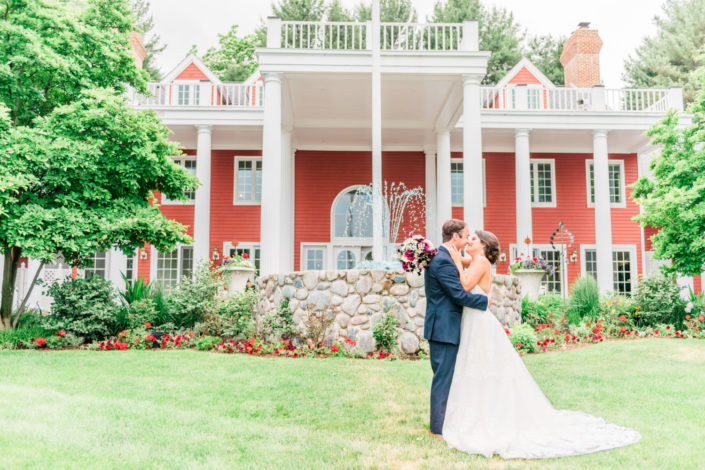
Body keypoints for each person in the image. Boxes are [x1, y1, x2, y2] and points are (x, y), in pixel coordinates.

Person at [441, 229, 641, 459]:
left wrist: (456, 261)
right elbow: (461, 259)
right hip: (474, 318)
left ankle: (485, 416)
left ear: (483, 246)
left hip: (478, 321)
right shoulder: (475, 259)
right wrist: (454, 254)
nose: (469, 242)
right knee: (477, 365)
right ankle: (477, 412)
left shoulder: (481, 262)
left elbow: (465, 284)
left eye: (473, 239)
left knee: (482, 365)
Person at [424, 219, 490, 437]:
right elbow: (458, 295)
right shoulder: (443, 260)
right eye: (466, 235)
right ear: (455, 238)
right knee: (443, 379)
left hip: (445, 327)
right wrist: (485, 302)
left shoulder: (446, 258)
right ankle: (438, 428)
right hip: (443, 329)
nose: (468, 238)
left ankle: (445, 422)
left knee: (446, 377)